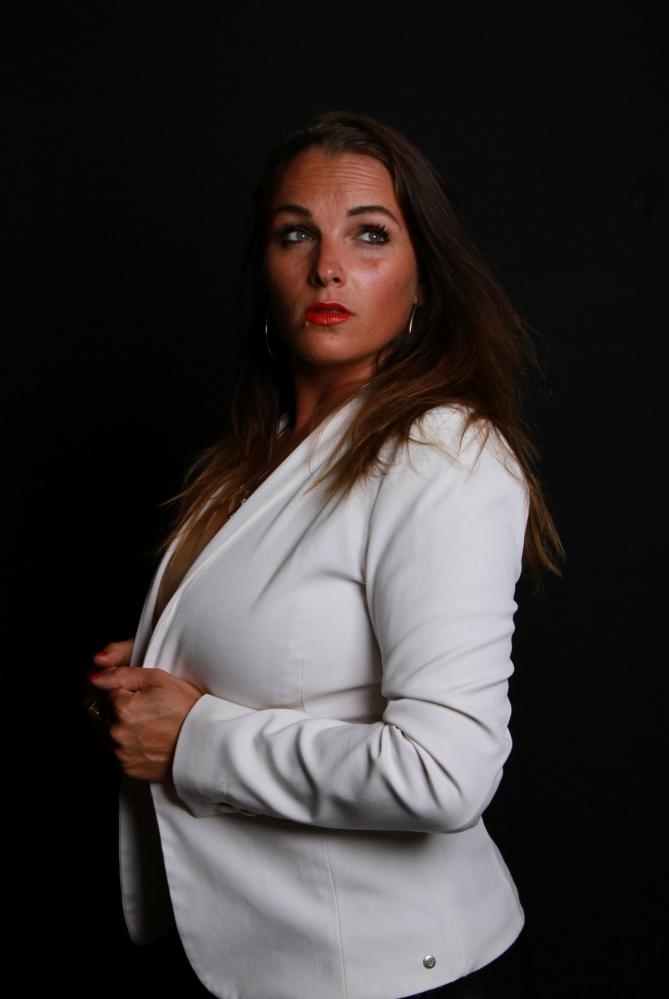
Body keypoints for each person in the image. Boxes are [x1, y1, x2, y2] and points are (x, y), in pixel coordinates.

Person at [87, 109, 563, 998]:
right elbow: (294, 648)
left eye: (369, 234)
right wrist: (156, 667)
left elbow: (443, 773)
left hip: (384, 974)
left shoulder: (440, 454)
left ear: (422, 282)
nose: (327, 267)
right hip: (258, 957)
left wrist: (191, 738)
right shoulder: (257, 449)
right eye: (294, 233)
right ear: (265, 267)